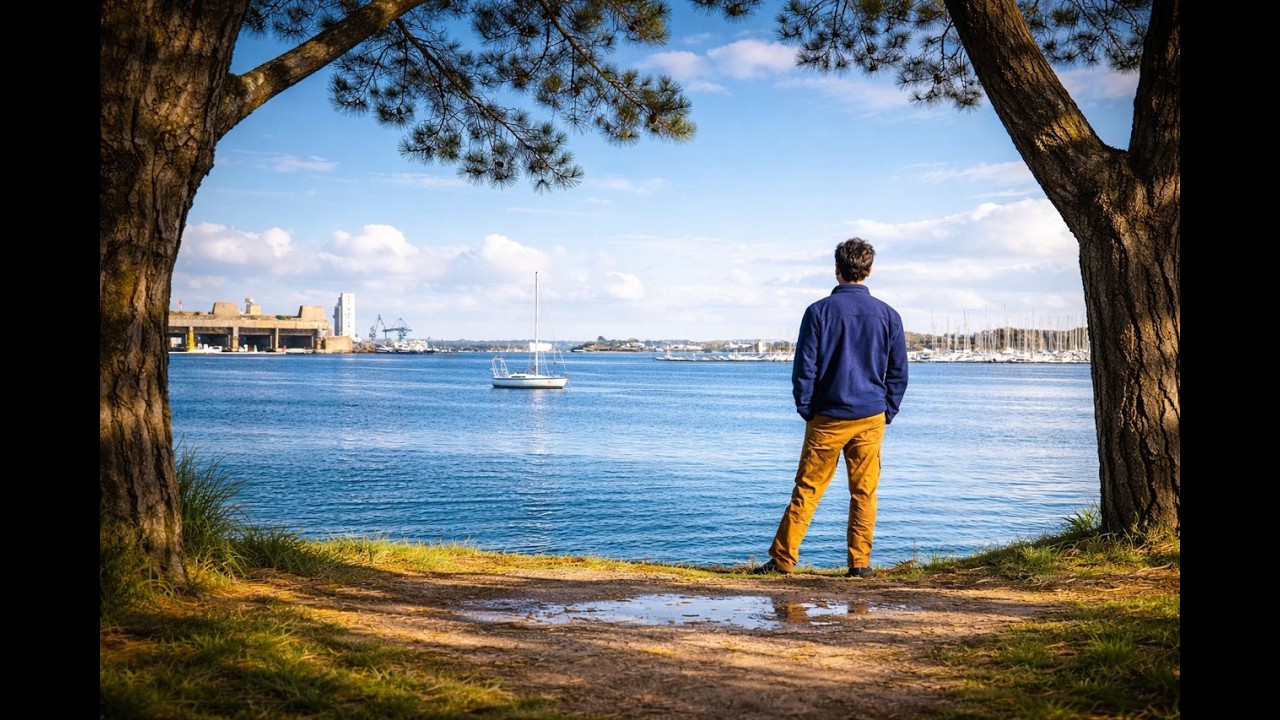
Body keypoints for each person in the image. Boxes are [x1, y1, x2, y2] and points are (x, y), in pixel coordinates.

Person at [750, 237, 908, 578]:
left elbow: (804, 368)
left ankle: (782, 560)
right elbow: (898, 373)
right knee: (864, 492)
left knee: (808, 489)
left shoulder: (818, 311)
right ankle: (860, 565)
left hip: (827, 416)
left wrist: (806, 408)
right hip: (870, 416)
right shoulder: (888, 315)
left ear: (837, 269)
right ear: (869, 270)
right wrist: (888, 411)